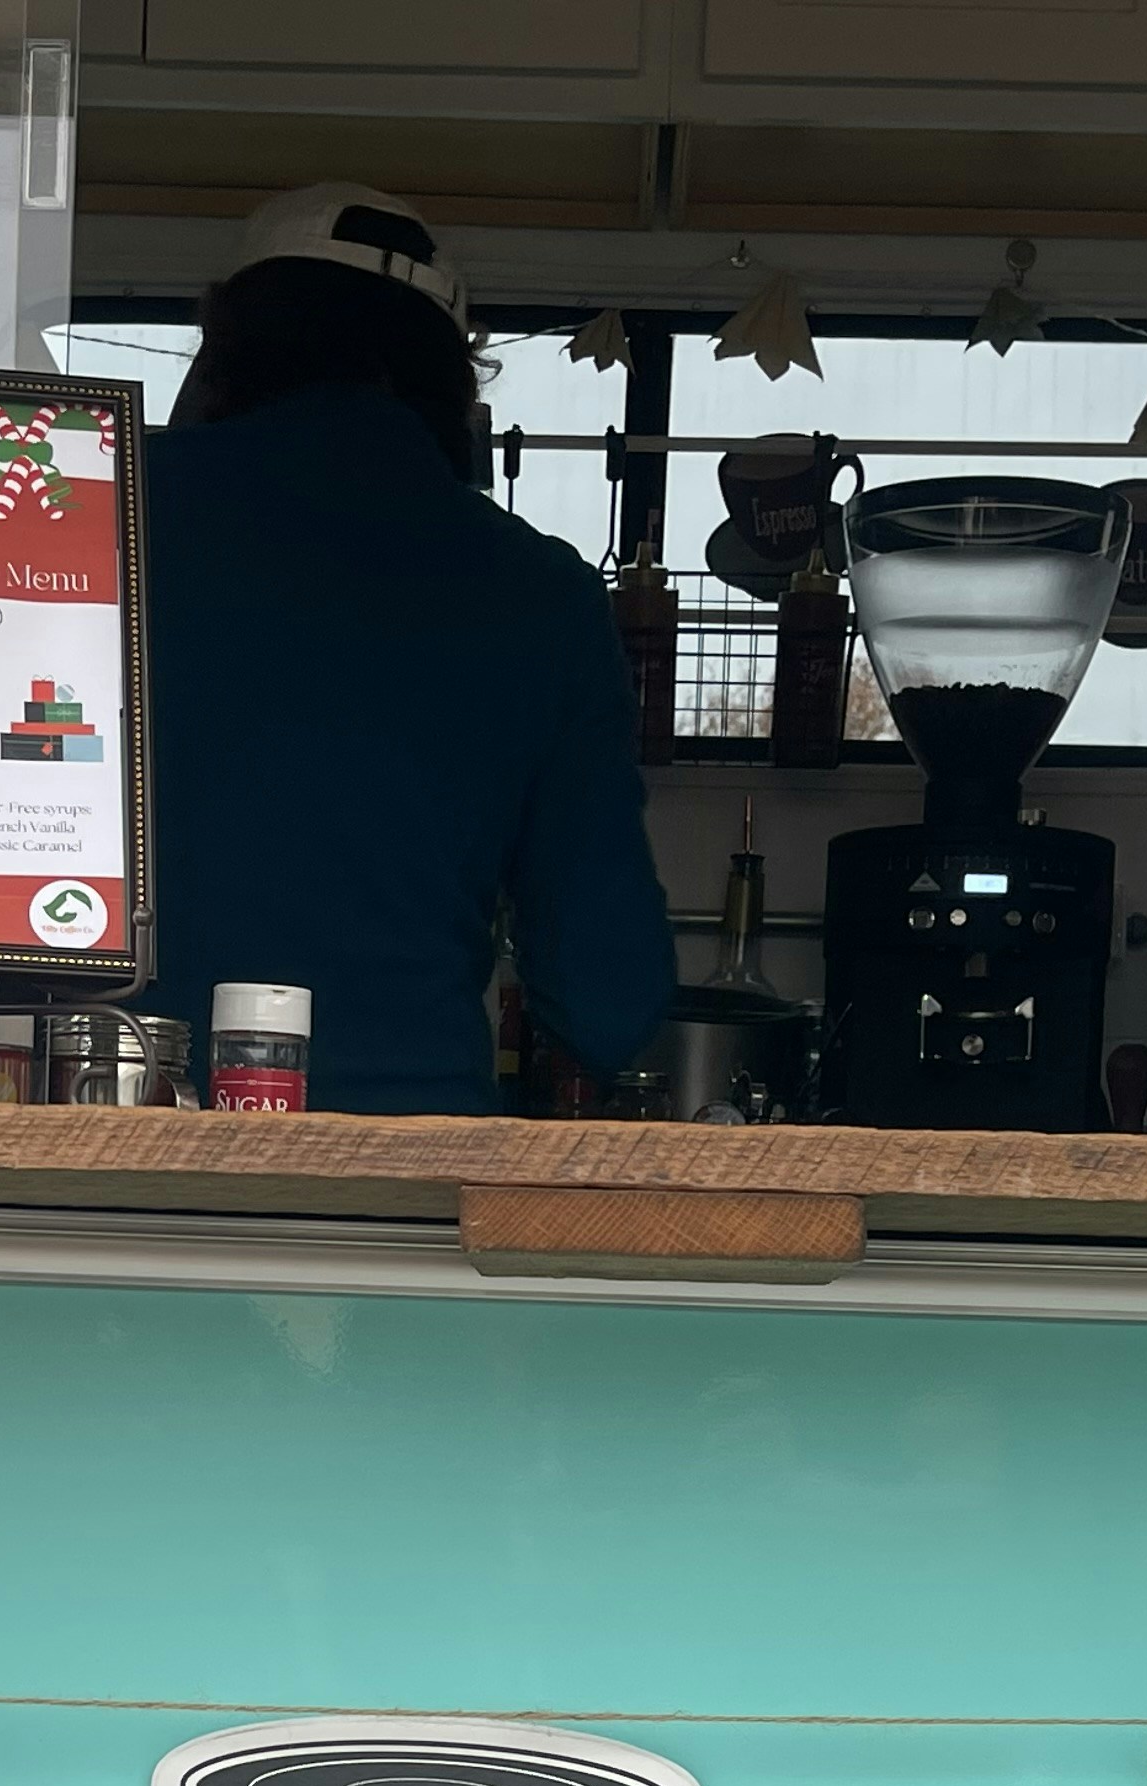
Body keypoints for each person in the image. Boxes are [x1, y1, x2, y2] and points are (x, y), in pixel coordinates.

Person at [144, 186, 673, 1112]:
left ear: (222, 349)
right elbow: (608, 1002)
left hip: (93, 1117)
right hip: (404, 1155)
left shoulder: (103, 520)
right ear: (453, 381)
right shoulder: (540, 593)